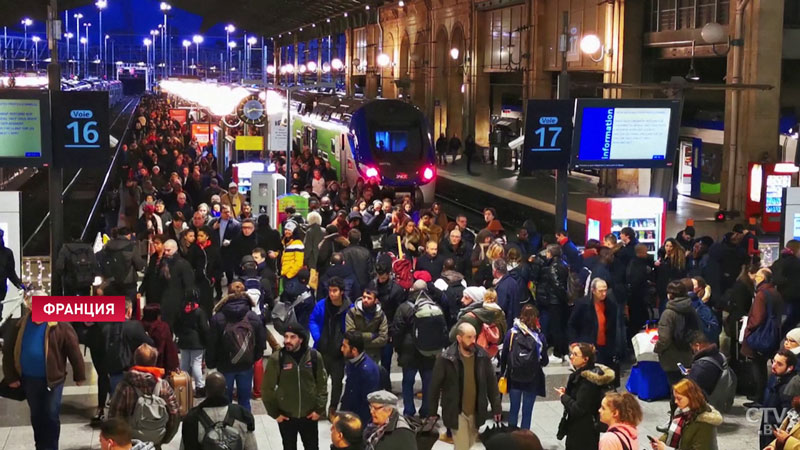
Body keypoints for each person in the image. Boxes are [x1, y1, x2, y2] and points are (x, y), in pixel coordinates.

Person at [2, 304, 86, 450]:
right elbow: (8, 351)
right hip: (29, 379)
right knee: (36, 415)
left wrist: (79, 375)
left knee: (51, 415)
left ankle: (51, 447)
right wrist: (11, 377)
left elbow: (74, 351)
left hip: (53, 381)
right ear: (30, 307)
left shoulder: (60, 325)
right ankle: (40, 446)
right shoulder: (19, 325)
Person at [429, 322, 502, 450]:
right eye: (469, 337)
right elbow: (434, 386)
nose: (473, 340)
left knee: (469, 444)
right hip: (457, 411)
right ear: (459, 338)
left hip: (476, 411)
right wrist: (432, 411)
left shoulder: (482, 356)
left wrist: (496, 407)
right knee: (462, 447)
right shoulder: (446, 358)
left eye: (474, 337)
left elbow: (491, 384)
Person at [262, 323, 328, 450]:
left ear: (301, 339)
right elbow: (267, 388)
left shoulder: (314, 357)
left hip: (309, 415)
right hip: (286, 416)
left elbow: (322, 384)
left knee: (312, 447)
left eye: (292, 337)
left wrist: (319, 409)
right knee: (289, 447)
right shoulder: (277, 358)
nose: (287, 341)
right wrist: (274, 413)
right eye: (286, 337)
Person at [107, 344, 180, 446]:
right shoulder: (163, 385)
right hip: (156, 440)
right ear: (154, 362)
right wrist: (165, 438)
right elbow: (174, 414)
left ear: (135, 360)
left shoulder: (125, 386)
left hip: (131, 443)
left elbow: (114, 417)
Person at [208, 289, 267, 411]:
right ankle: (247, 425)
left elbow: (212, 343)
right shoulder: (253, 317)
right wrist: (254, 357)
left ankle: (226, 426)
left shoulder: (218, 317)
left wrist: (211, 362)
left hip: (225, 364)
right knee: (245, 400)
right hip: (246, 364)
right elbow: (261, 342)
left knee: (224, 400)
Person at [391, 282, 444, 417]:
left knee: (408, 382)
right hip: (429, 351)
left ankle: (409, 411)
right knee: (428, 383)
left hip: (409, 351)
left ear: (412, 290)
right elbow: (443, 330)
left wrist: (397, 349)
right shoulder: (434, 307)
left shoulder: (404, 308)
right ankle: (426, 411)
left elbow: (397, 331)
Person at [555, 342, 615, 450]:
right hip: (583, 428)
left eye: (575, 354)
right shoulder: (582, 376)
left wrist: (564, 397)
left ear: (585, 359)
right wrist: (569, 392)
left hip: (583, 431)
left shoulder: (588, 381)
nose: (571, 357)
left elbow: (579, 408)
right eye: (571, 354)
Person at [180, 372, 258, 450]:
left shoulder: (192, 419)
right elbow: (252, 447)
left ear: (206, 390)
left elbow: (185, 446)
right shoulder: (242, 415)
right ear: (225, 389)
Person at [499, 304, 548, 430]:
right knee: (527, 411)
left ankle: (512, 436)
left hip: (514, 377)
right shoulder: (539, 337)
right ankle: (525, 439)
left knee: (514, 409)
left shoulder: (511, 334)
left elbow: (504, 355)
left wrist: (504, 371)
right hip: (532, 379)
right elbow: (545, 361)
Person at [743, 268, 784, 405]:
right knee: (762, 366)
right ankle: (761, 396)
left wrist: (749, 328)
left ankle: (758, 397)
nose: (755, 278)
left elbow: (758, 317)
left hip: (760, 335)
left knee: (758, 366)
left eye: (758, 275)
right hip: (772, 334)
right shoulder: (775, 292)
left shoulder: (761, 294)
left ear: (763, 278)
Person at [650, 379, 722, 450]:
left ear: (691, 397)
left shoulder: (705, 423)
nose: (675, 401)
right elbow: (673, 431)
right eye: (675, 398)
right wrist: (660, 441)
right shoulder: (682, 412)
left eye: (679, 398)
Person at [654, 280, 703, 385]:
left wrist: (657, 349)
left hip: (671, 358)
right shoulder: (691, 310)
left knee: (676, 390)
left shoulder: (668, 314)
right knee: (686, 388)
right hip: (688, 355)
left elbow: (664, 339)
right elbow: (698, 330)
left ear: (670, 295)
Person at [534, 244, 569, 359]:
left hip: (555, 301)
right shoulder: (564, 264)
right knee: (561, 326)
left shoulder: (552, 267)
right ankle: (563, 350)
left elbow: (557, 285)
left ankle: (558, 353)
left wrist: (561, 297)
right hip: (560, 301)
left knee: (556, 327)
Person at [759, 349, 800, 448]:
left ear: (790, 368)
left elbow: (787, 419)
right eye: (774, 361)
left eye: (779, 364)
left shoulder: (790, 388)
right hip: (767, 426)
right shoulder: (775, 377)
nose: (773, 366)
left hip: (776, 434)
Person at [340, 331, 382, 424]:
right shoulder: (351, 362)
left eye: (344, 346)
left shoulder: (368, 371)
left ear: (354, 350)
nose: (341, 349)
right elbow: (349, 391)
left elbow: (367, 403)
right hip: (350, 414)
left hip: (359, 421)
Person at [174, 292, 210, 398]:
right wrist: (206, 340)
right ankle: (200, 387)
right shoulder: (199, 312)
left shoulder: (181, 311)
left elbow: (175, 326)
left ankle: (183, 385)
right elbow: (204, 328)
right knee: (196, 364)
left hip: (183, 341)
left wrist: (180, 335)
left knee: (184, 363)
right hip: (197, 341)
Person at [346, 286, 389, 363]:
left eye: (369, 298)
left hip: (373, 356)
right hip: (355, 355)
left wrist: (360, 342)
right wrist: (372, 335)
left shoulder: (381, 315)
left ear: (376, 300)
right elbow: (350, 335)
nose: (365, 300)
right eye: (364, 297)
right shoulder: (352, 312)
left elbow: (383, 339)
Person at [493, 259, 521, 330]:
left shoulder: (502, 287)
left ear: (495, 271)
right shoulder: (513, 281)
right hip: (514, 319)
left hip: (506, 324)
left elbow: (501, 307)